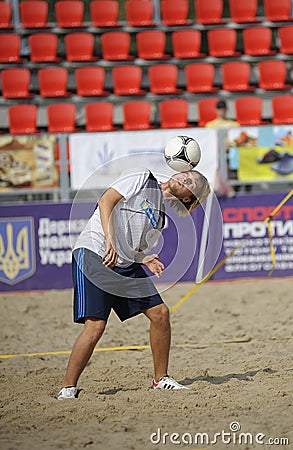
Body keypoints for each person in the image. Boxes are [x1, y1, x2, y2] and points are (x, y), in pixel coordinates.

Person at [57, 167, 210, 399]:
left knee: (160, 314)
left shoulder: (159, 221)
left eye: (192, 182)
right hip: (95, 251)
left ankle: (161, 379)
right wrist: (111, 241)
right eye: (187, 174)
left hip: (123, 262)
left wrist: (144, 258)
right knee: (96, 326)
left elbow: (134, 247)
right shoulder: (142, 176)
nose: (185, 177)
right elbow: (105, 201)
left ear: (187, 197)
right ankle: (68, 389)